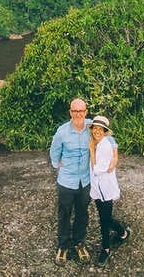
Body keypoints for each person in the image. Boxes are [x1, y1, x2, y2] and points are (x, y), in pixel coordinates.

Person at [49, 98, 93, 266]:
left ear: (86, 112)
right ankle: (63, 245)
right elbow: (54, 151)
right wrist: (56, 164)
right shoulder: (62, 131)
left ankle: (79, 242)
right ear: (70, 112)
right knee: (65, 214)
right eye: (75, 111)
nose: (78, 114)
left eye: (81, 111)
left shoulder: (92, 127)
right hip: (67, 180)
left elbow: (107, 137)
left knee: (82, 213)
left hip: (85, 180)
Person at [89, 115, 130, 267]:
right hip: (97, 189)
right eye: (95, 128)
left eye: (101, 129)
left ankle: (106, 249)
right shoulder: (97, 142)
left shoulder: (105, 145)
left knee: (105, 220)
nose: (97, 131)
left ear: (105, 131)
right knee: (104, 218)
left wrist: (91, 151)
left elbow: (98, 169)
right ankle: (122, 233)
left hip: (105, 188)